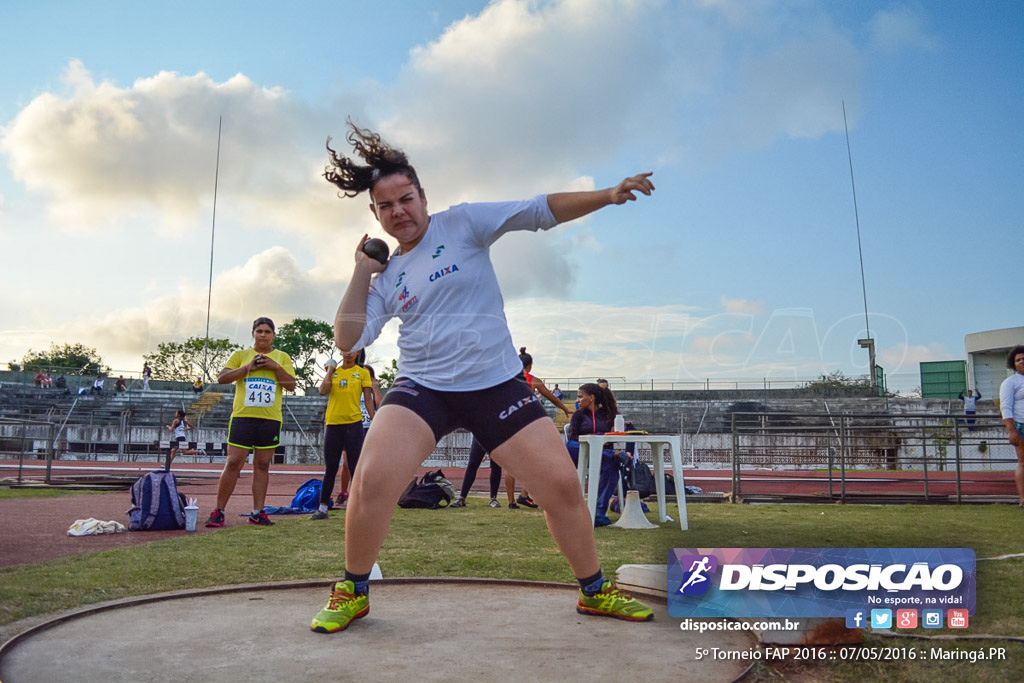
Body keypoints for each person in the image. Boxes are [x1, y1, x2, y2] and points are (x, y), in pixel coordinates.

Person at [309, 122, 654, 633]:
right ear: (375, 215)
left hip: (495, 385)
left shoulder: (464, 223)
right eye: (386, 207)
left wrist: (607, 194)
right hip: (422, 388)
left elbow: (537, 210)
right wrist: (362, 271)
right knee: (373, 480)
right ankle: (353, 590)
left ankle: (595, 591)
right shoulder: (385, 279)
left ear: (423, 197)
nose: (398, 211)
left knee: (561, 486)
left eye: (406, 199)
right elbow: (348, 341)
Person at [205, 317, 296, 527]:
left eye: (267, 331)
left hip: (270, 419)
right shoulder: (241, 356)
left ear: (273, 335)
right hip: (242, 417)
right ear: (253, 334)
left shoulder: (282, 357)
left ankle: (258, 512)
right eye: (259, 331)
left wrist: (274, 366)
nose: (263, 335)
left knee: (262, 464)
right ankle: (218, 510)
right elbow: (222, 378)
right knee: (234, 462)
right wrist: (248, 368)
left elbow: (290, 385)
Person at [311, 352, 375, 520]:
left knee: (355, 467)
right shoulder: (335, 372)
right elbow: (323, 390)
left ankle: (357, 507)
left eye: (353, 349)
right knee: (331, 468)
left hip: (353, 424)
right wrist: (330, 371)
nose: (349, 353)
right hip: (333, 424)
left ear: (358, 353)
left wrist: (374, 419)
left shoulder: (362, 373)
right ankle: (323, 508)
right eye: (346, 349)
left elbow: (368, 399)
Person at [506, 347, 572, 509]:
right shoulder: (533, 380)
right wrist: (565, 409)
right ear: (530, 365)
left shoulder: (507, 379)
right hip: (527, 423)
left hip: (508, 422)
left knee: (509, 464)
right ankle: (524, 494)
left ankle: (511, 502)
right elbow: (552, 398)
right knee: (538, 460)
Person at [565, 382, 621, 527]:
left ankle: (599, 512)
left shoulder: (608, 415)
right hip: (582, 454)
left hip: (602, 456)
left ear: (591, 397)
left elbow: (614, 438)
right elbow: (573, 437)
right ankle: (611, 455)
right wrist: (595, 439)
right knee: (569, 445)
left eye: (579, 396)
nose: (577, 400)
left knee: (613, 464)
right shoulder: (578, 415)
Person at [998, 345, 1024, 508]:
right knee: (1023, 462)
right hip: (1021, 426)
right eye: (1018, 360)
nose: (1022, 362)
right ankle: (1023, 499)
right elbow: (1005, 407)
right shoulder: (1010, 382)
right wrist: (1011, 430)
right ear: (1013, 364)